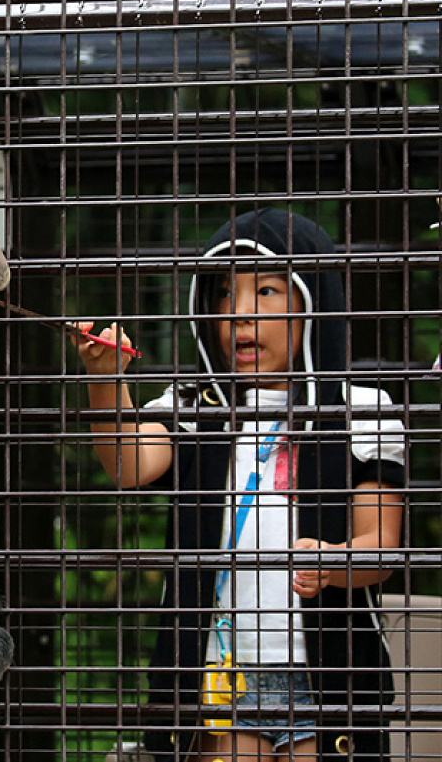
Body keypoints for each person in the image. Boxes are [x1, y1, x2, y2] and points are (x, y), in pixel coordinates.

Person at [74, 210, 406, 762]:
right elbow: (129, 465)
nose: (242, 314)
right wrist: (106, 382)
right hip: (218, 674)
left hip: (328, 678)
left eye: (268, 291)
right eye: (226, 293)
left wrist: (334, 560)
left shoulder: (363, 413)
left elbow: (383, 547)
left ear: (311, 301)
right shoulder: (190, 405)